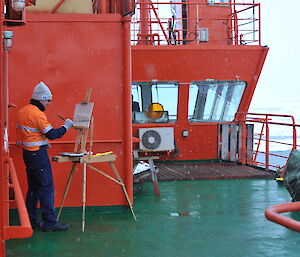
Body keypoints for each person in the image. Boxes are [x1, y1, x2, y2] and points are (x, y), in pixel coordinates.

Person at [16, 81, 74, 232]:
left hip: (28, 154)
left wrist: (42, 143)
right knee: (46, 187)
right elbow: (52, 134)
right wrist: (66, 126)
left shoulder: (23, 111)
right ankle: (49, 222)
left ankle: (30, 219)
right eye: (48, 100)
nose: (49, 103)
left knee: (34, 188)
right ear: (41, 99)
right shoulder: (37, 114)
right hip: (37, 155)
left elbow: (30, 134)